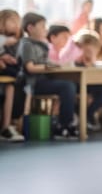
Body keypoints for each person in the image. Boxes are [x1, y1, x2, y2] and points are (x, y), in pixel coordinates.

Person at [17, 12, 79, 139]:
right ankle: (64, 125)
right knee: (67, 87)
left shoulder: (42, 45)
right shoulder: (27, 45)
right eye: (42, 26)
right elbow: (30, 67)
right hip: (31, 83)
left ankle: (67, 123)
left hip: (43, 80)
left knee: (72, 85)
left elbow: (48, 63)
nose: (46, 29)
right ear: (30, 28)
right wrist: (51, 66)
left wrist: (58, 65)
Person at [73, 30, 102, 131]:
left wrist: (91, 62)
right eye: (86, 50)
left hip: (90, 85)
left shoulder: (93, 60)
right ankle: (82, 115)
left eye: (93, 50)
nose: (89, 53)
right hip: (76, 85)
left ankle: (87, 114)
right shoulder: (73, 57)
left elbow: (94, 68)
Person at [0, 9, 24, 142]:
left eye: (17, 22)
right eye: (12, 21)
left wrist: (6, 58)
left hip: (9, 76)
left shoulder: (18, 40)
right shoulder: (4, 40)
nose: (16, 25)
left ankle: (6, 126)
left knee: (12, 85)